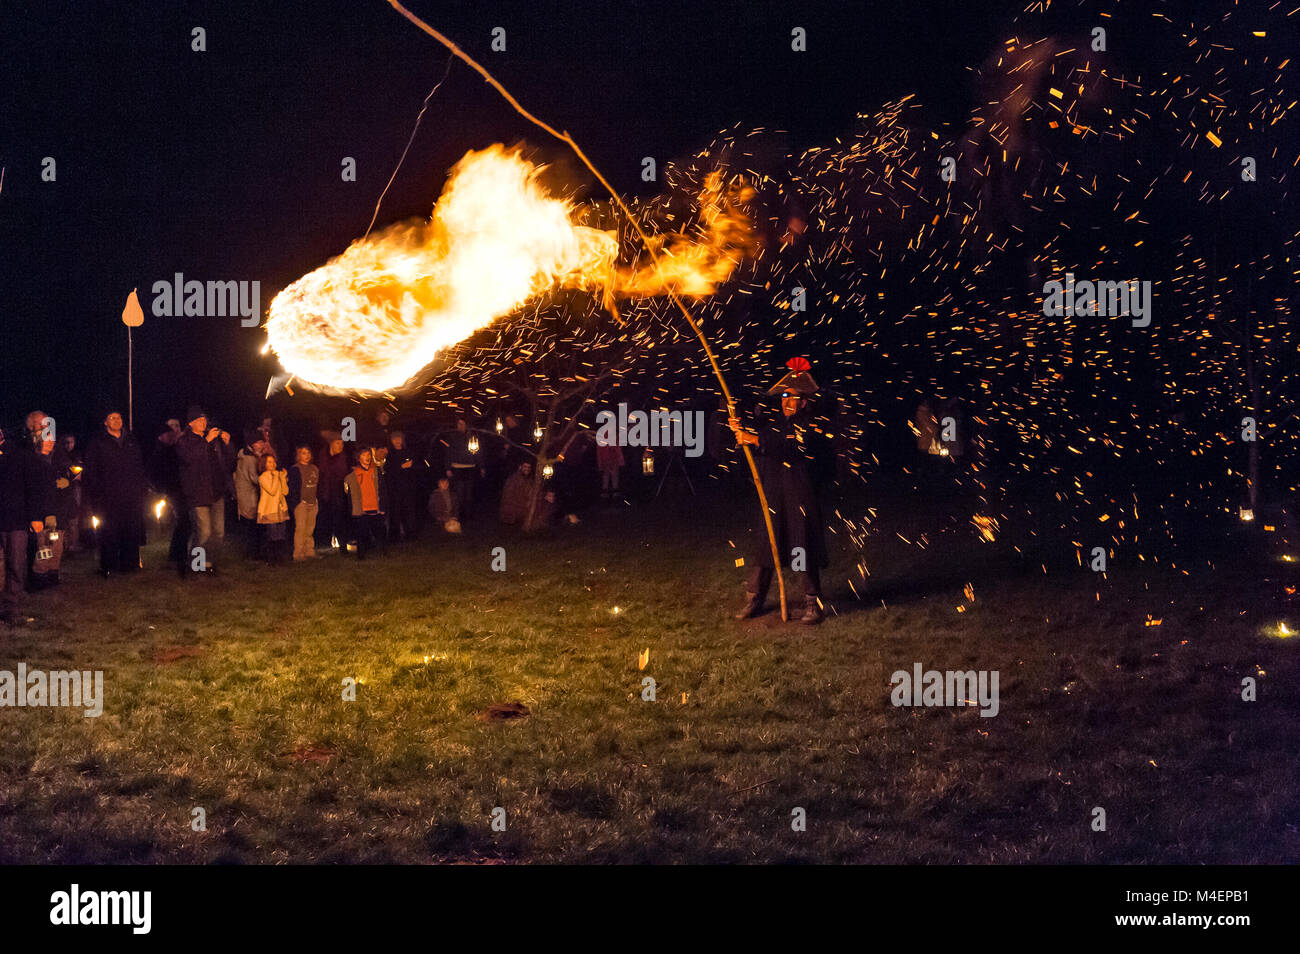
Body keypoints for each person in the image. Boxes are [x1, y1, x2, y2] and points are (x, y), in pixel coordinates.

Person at [729, 358, 831, 624]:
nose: (787, 401)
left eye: (794, 397)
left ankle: (812, 603)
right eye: (784, 395)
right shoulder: (773, 426)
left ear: (804, 402)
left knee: (801, 547)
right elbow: (764, 452)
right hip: (774, 496)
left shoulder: (810, 426)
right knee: (766, 547)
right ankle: (754, 600)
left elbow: (790, 447)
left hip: (799, 496)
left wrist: (752, 438)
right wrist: (742, 439)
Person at [82, 411, 148, 577]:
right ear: (105, 422)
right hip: (108, 496)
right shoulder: (98, 443)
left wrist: (140, 487)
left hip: (131, 495)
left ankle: (130, 563)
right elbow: (91, 470)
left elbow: (139, 466)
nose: (117, 420)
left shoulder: (131, 440)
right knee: (109, 531)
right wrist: (98, 492)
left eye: (119, 417)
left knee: (131, 528)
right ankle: (109, 565)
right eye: (112, 418)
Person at [176, 406, 233, 575]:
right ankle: (195, 567)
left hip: (216, 492)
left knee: (218, 533)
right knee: (203, 532)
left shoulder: (214, 440)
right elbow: (189, 459)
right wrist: (206, 440)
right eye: (199, 420)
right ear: (190, 423)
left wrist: (228, 444)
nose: (203, 423)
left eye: (204, 420)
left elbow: (228, 461)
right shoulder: (184, 441)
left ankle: (209, 564)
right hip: (198, 493)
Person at [0, 425, 46, 622]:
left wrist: (35, 516)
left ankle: (11, 608)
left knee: (16, 564)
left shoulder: (19, 454)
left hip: (15, 518)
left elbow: (33, 487)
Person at [344, 447, 385, 558]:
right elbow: (349, 493)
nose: (367, 458)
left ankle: (383, 552)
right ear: (358, 458)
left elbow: (382, 489)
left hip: (375, 507)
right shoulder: (353, 474)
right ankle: (361, 555)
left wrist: (382, 506)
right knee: (361, 533)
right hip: (361, 508)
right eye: (363, 455)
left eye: (368, 455)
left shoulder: (376, 471)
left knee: (379, 531)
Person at [441, 418, 484, 521]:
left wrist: (481, 466)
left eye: (462, 424)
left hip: (470, 468)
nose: (460, 426)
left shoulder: (473, 437)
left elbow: (478, 452)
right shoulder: (453, 437)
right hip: (457, 468)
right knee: (459, 493)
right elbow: (449, 453)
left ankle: (468, 515)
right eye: (459, 424)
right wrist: (448, 468)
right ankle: (459, 516)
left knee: (469, 494)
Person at [234, 429, 267, 558]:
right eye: (258, 442)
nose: (261, 445)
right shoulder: (249, 458)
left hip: (249, 495)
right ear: (252, 443)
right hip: (249, 496)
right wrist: (271, 480)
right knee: (252, 526)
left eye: (262, 442)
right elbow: (255, 478)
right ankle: (253, 553)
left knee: (252, 526)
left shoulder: (250, 455)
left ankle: (253, 552)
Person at [51, 434, 84, 553]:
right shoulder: (59, 455)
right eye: (66, 442)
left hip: (73, 489)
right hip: (62, 492)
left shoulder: (76, 455)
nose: (69, 445)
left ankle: (73, 543)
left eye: (71, 442)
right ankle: (63, 544)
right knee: (63, 519)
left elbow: (78, 470)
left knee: (73, 517)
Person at [385, 430, 421, 540]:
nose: (397, 440)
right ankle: (395, 536)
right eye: (394, 438)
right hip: (395, 488)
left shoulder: (408, 452)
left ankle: (411, 534)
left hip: (408, 488)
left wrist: (412, 465)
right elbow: (388, 470)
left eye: (399, 438)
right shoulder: (389, 454)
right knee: (395, 512)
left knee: (409, 512)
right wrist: (401, 467)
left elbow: (417, 467)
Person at [315, 435, 349, 551]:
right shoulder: (322, 456)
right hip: (323, 493)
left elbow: (341, 474)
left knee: (338, 519)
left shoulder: (342, 458)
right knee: (324, 519)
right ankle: (324, 543)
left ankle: (342, 544)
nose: (341, 446)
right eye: (338, 443)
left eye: (342, 444)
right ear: (331, 444)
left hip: (337, 493)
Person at [287, 445, 319, 560]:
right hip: (301, 503)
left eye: (308, 453)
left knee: (310, 528)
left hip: (312, 502)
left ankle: (309, 551)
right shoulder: (295, 469)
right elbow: (292, 488)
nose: (307, 456)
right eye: (304, 453)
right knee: (300, 529)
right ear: (299, 455)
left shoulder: (314, 468)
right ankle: (298, 554)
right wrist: (297, 502)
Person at [257, 453, 290, 563]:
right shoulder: (262, 477)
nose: (272, 464)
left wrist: (283, 478)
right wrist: (276, 477)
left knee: (281, 535)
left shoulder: (278, 475)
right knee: (272, 535)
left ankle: (280, 558)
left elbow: (285, 491)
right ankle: (271, 559)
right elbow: (272, 490)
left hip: (280, 509)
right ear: (264, 464)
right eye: (269, 462)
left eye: (273, 461)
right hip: (270, 510)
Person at [499, 459, 537, 527]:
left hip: (522, 508)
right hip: (513, 509)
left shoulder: (530, 480)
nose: (527, 469)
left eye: (529, 467)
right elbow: (508, 496)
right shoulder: (513, 479)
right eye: (525, 467)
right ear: (520, 467)